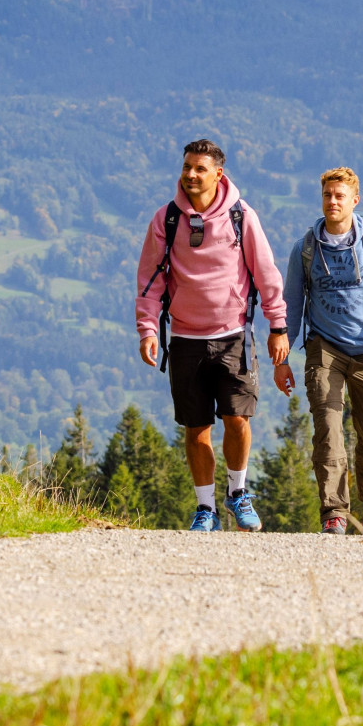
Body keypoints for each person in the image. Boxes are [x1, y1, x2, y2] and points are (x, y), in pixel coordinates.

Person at [135, 139, 289, 532]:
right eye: (186, 167)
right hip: (185, 339)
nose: (190, 175)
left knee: (238, 419)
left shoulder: (241, 216)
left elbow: (266, 273)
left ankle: (237, 492)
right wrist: (148, 329)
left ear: (218, 174)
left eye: (199, 169)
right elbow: (152, 280)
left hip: (234, 335)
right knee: (196, 427)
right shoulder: (166, 219)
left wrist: (278, 326)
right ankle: (206, 508)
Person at [276, 167, 363, 536]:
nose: (332, 202)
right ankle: (334, 512)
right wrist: (282, 359)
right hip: (324, 349)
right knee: (328, 430)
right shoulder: (305, 248)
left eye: (340, 196)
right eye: (327, 195)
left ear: (355, 200)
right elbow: (290, 305)